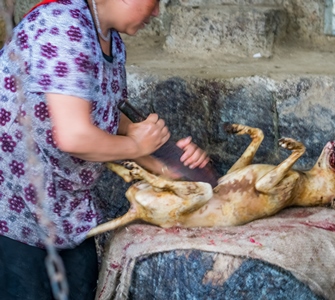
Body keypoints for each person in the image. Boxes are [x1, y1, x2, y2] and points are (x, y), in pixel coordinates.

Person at [0, 0, 210, 299]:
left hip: (65, 212)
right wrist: (138, 143)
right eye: (153, 2)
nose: (156, 13)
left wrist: (169, 167)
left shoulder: (109, 38)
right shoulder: (63, 26)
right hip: (15, 213)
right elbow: (74, 137)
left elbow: (105, 116)